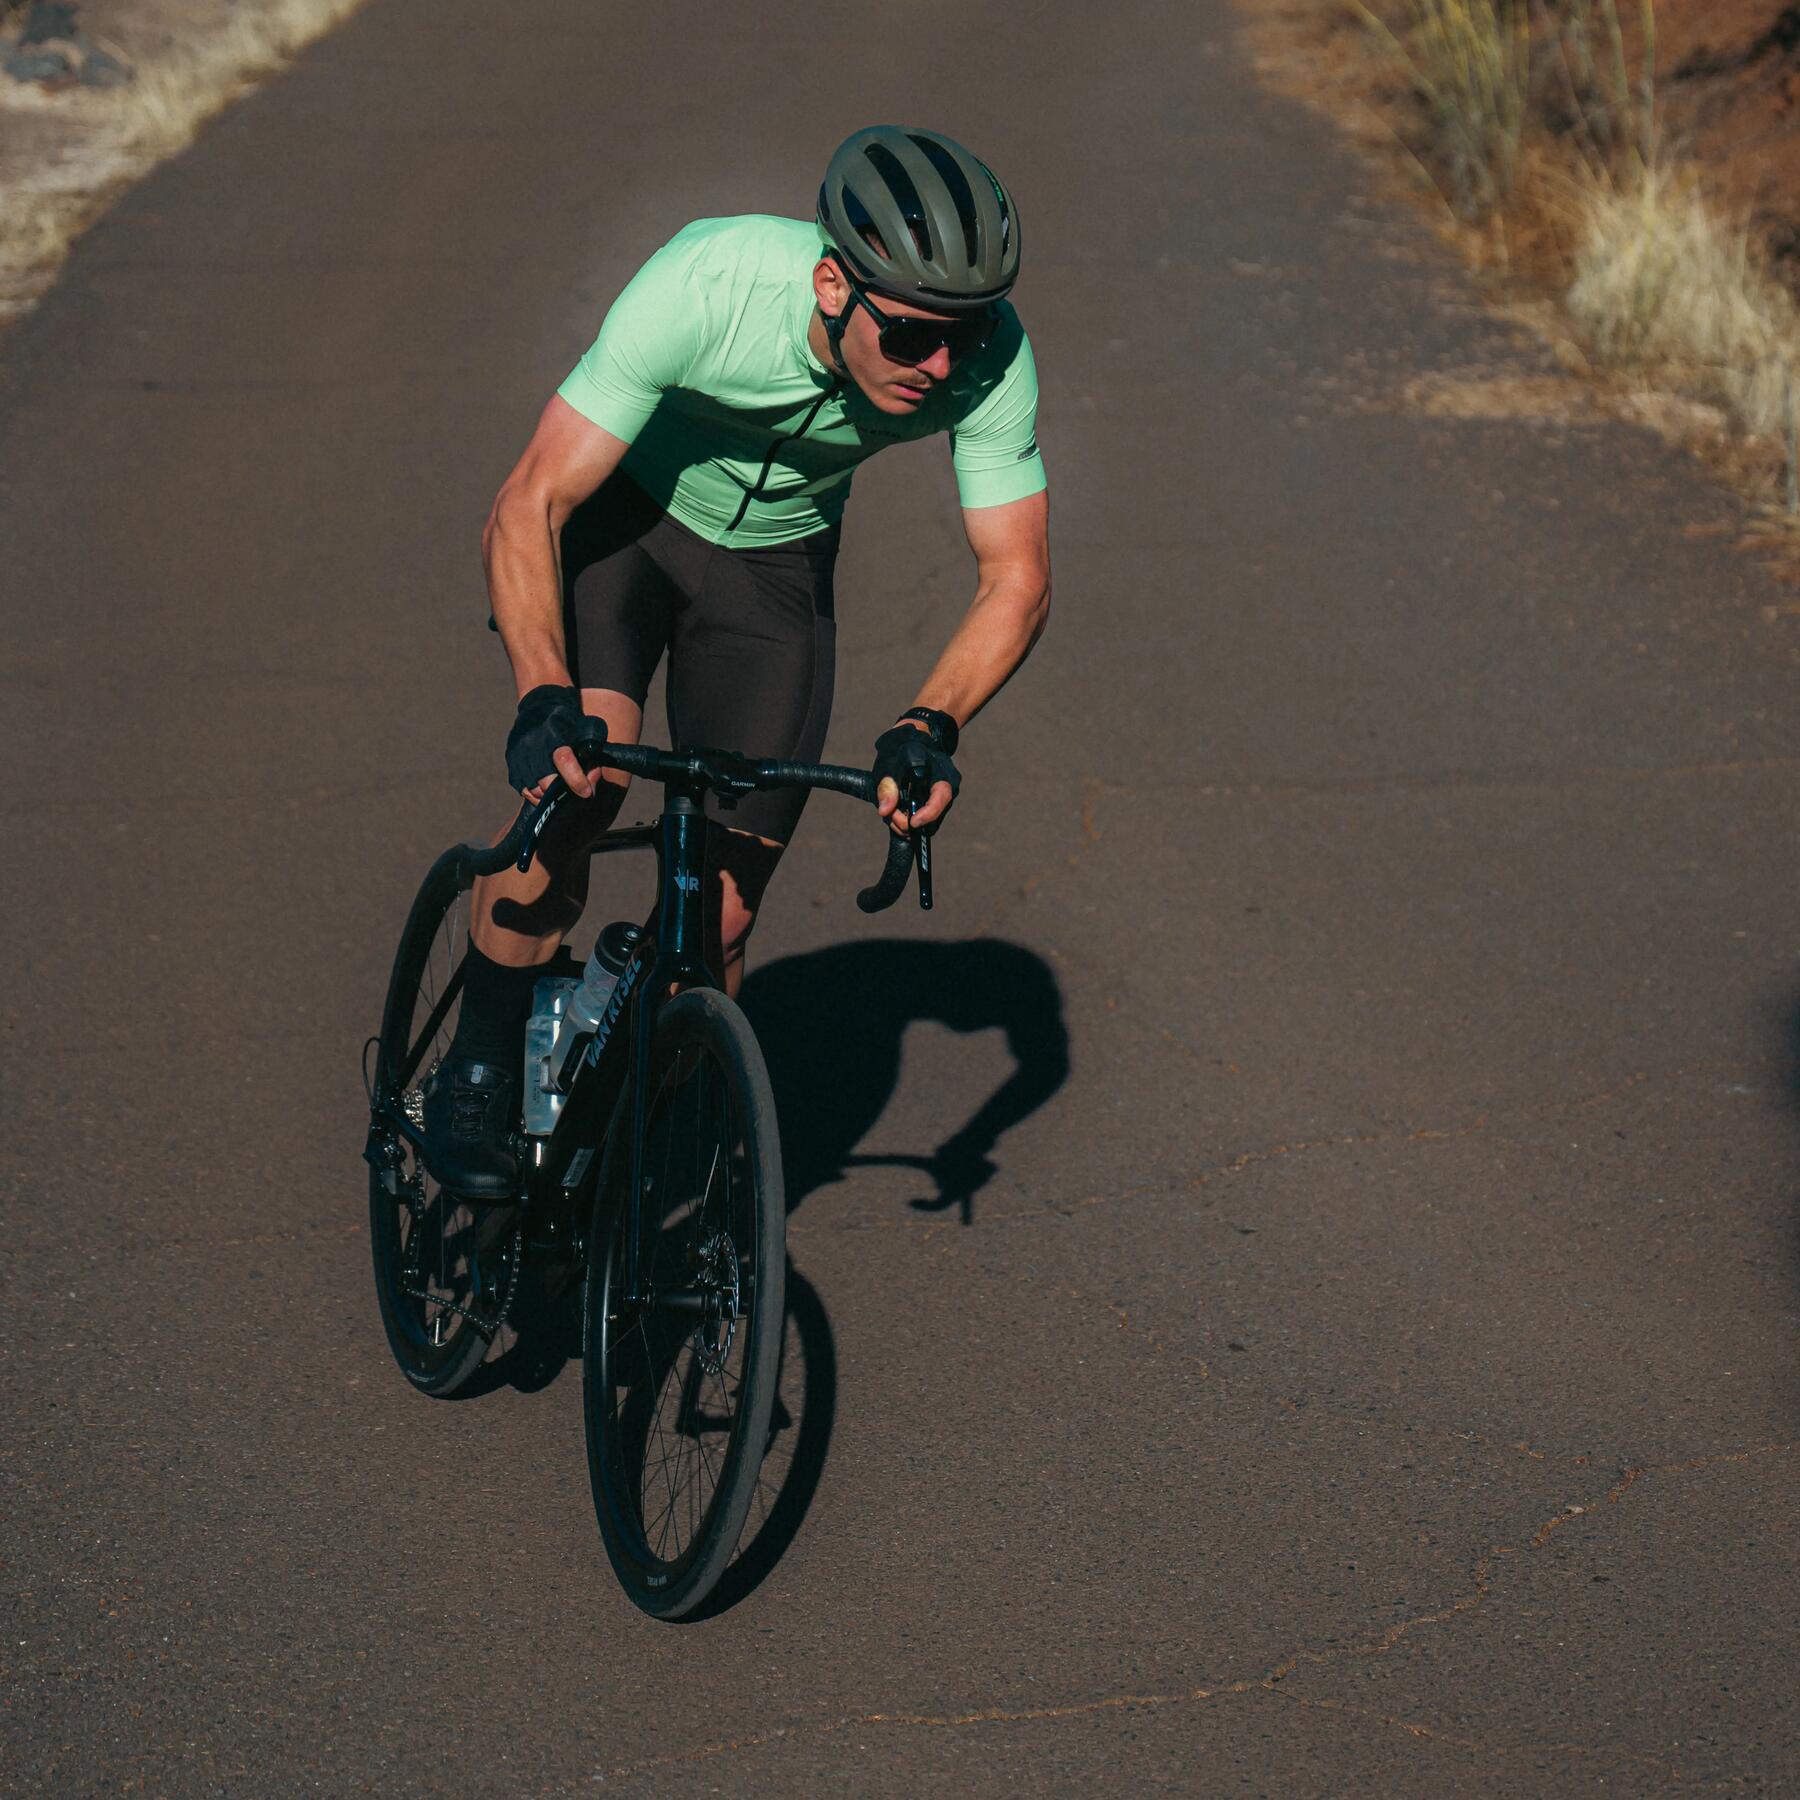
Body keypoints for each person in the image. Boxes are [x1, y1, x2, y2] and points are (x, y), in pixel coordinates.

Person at [422, 124, 1053, 1199]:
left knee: (721, 912)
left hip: (774, 571)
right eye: (910, 337)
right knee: (588, 780)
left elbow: (1017, 577)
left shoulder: (986, 355)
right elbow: (529, 502)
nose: (941, 365)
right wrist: (542, 693)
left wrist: (930, 724)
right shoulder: (708, 281)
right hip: (626, 531)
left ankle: (657, 1146)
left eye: (964, 332)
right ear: (830, 286)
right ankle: (477, 1066)